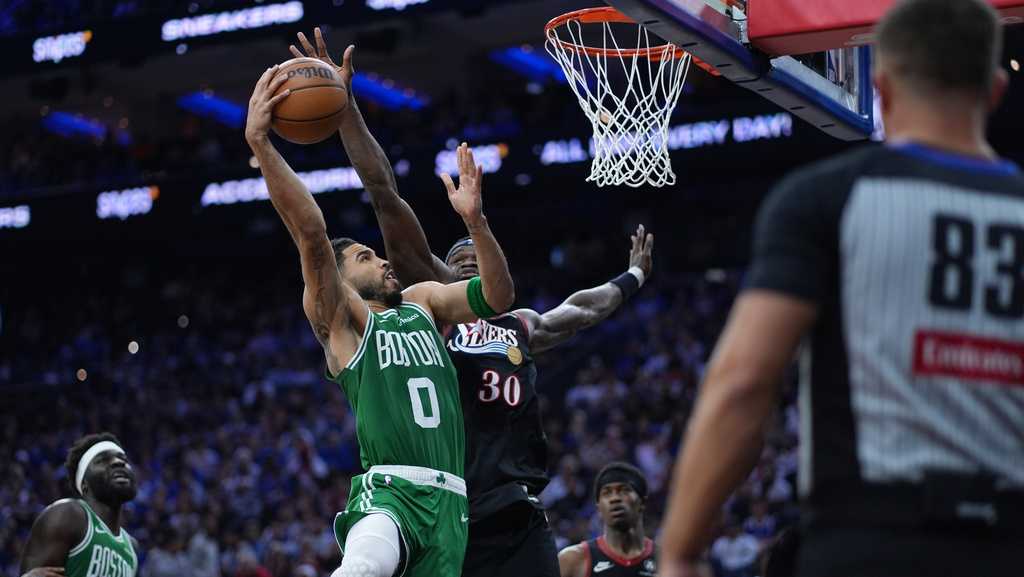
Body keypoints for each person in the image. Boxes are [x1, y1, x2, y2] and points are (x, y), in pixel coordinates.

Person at [657, 1, 1023, 576]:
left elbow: (744, 382)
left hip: (867, 539)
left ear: (882, 86)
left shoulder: (824, 200)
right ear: (995, 89)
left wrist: (679, 551)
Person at [287, 28, 655, 577]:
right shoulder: (428, 311)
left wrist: (631, 277)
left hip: (515, 505)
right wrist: (345, 109)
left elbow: (580, 311)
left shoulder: (519, 324)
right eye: (454, 258)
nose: (463, 262)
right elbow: (383, 192)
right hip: (449, 506)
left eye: (472, 257)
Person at [244, 58, 515, 577]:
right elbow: (311, 232)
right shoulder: (344, 322)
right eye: (366, 257)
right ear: (342, 279)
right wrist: (261, 144)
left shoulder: (424, 301)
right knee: (363, 567)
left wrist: (476, 223)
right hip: (389, 492)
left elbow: (498, 296)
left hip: (451, 504)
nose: (384, 260)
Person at [20, 433, 139, 577]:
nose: (118, 462)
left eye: (124, 459)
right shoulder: (68, 515)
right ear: (84, 484)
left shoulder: (132, 548)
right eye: (102, 460)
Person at [558, 462, 657, 577]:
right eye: (607, 493)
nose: (615, 498)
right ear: (598, 507)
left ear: (642, 502)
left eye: (624, 490)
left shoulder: (664, 559)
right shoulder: (572, 560)